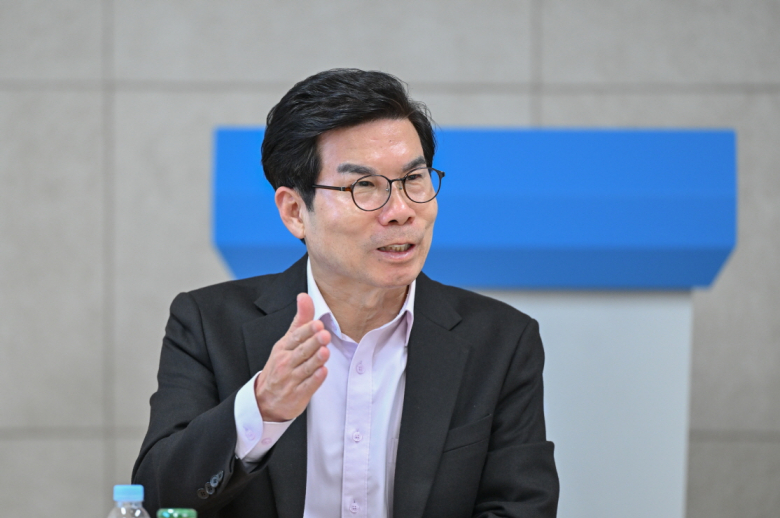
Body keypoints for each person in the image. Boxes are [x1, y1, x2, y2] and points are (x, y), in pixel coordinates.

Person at [132, 68, 559, 518]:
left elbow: (520, 508)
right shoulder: (207, 323)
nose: (401, 211)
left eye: (414, 179)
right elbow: (159, 500)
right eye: (364, 186)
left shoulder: (501, 341)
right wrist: (261, 407)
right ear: (295, 212)